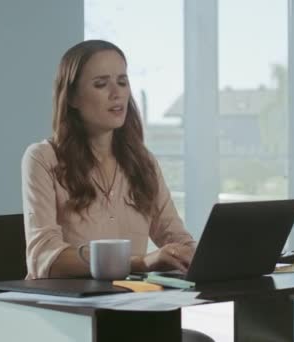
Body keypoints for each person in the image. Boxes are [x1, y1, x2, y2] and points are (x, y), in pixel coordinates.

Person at [21, 40, 196, 279]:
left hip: (129, 302)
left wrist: (203, 256)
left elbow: (175, 237)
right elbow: (44, 257)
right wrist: (140, 262)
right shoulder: (42, 158)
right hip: (65, 308)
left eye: (122, 82)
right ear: (72, 97)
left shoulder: (143, 162)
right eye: (101, 84)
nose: (117, 93)